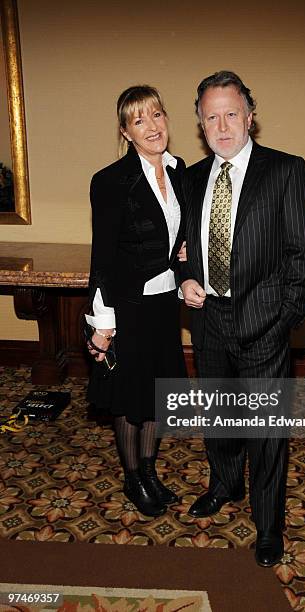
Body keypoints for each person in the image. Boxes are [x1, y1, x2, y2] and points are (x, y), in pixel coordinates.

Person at [180, 71, 305, 567]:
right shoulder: (192, 178)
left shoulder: (285, 171)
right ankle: (224, 485)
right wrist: (184, 277)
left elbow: (303, 256)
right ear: (200, 122)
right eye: (211, 116)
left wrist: (284, 322)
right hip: (208, 322)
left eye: (231, 114)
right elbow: (181, 248)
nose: (221, 126)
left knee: (264, 431)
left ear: (249, 116)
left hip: (264, 325)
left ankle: (268, 525)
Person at [86, 85, 187, 518]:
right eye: (139, 120)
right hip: (128, 306)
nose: (152, 126)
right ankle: (132, 479)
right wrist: (103, 323)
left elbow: (183, 234)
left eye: (157, 115)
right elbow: (103, 257)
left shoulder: (181, 170)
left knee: (156, 394)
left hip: (165, 304)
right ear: (126, 132)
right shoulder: (110, 181)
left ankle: (149, 471)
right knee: (130, 398)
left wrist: (185, 260)